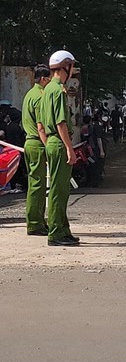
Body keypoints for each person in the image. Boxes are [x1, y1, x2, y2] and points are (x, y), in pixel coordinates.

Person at [39, 50, 80, 246]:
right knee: (58, 190)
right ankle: (56, 233)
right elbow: (61, 123)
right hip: (59, 141)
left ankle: (63, 229)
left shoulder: (48, 89)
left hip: (54, 142)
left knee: (62, 189)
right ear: (65, 66)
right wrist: (69, 149)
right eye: (71, 66)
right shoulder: (58, 90)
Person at [21, 65, 51, 235]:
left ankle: (38, 220)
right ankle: (34, 223)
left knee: (36, 184)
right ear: (43, 79)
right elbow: (41, 127)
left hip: (30, 142)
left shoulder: (29, 94)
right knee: (37, 185)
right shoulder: (40, 96)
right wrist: (48, 146)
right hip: (37, 143)